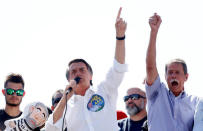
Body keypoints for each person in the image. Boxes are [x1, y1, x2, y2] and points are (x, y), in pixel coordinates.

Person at [45, 7, 127, 131]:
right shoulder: (67, 105)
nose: (78, 73)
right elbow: (51, 128)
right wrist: (64, 100)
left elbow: (118, 68)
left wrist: (120, 36)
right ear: (68, 80)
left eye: (82, 70)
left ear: (91, 76)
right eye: (73, 72)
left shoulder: (104, 90)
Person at [145, 13, 199, 131]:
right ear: (165, 76)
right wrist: (153, 32)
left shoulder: (196, 102)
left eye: (177, 72)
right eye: (170, 73)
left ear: (186, 77)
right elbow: (150, 66)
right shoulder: (156, 93)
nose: (173, 75)